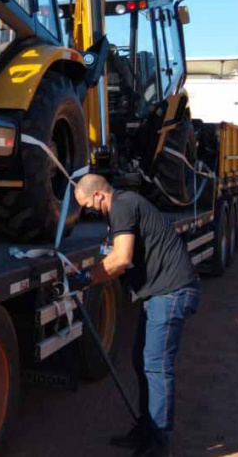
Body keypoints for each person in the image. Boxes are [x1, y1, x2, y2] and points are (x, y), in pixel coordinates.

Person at [74, 174, 201, 457]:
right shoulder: (123, 206)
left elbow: (121, 258)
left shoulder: (122, 205)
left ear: (98, 196)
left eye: (85, 206)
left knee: (156, 367)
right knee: (140, 359)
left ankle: (158, 442)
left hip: (171, 293)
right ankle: (145, 430)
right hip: (157, 293)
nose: (86, 212)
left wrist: (85, 278)